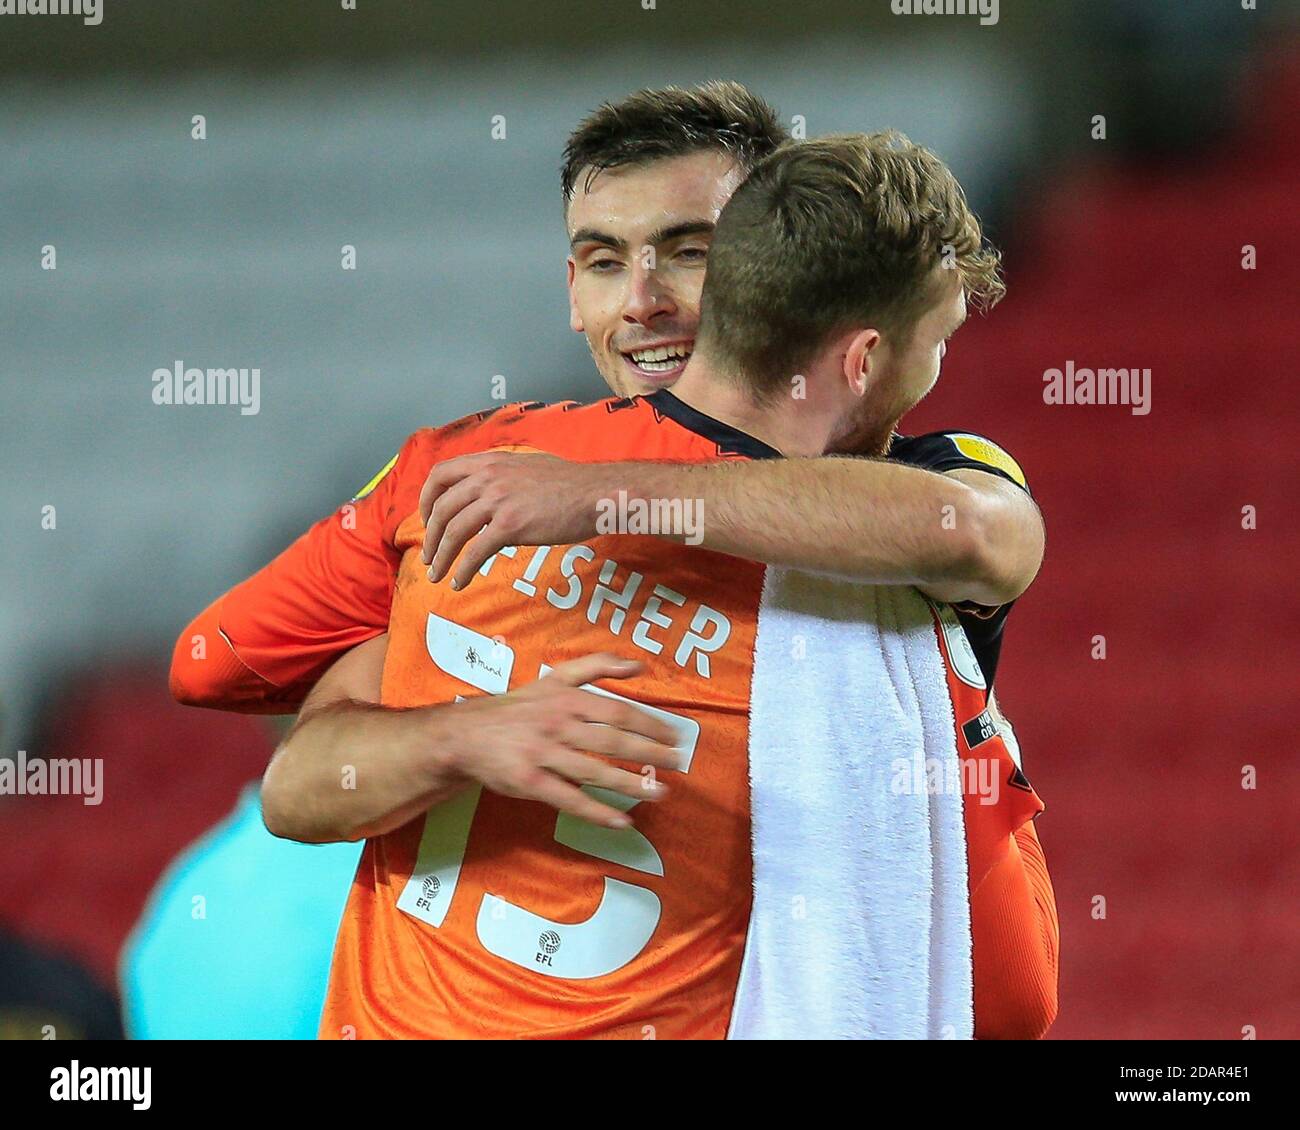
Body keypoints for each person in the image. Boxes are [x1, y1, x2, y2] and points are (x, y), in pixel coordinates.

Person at [183, 131, 1054, 1038]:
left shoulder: (509, 483)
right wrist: (462, 737)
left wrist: (598, 496)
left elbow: (975, 532)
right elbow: (294, 786)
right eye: (605, 261)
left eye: (681, 255)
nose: (645, 302)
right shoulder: (485, 480)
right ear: (863, 358)